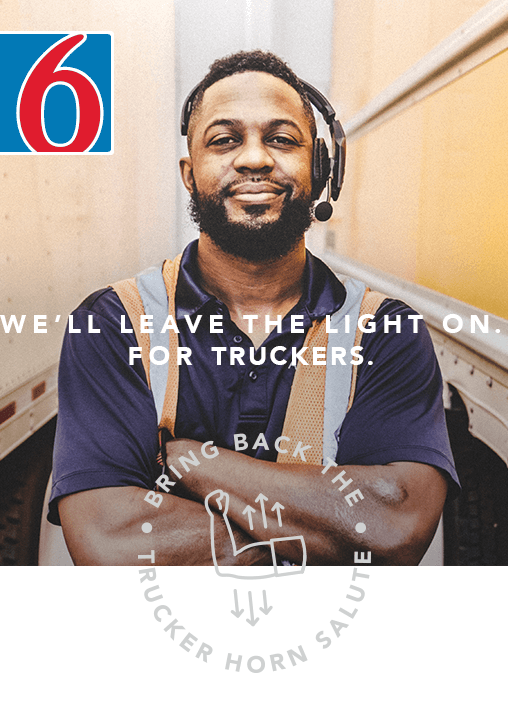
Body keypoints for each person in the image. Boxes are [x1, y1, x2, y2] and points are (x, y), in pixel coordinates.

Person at [48, 50, 460, 566]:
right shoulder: (112, 324)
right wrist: (329, 539)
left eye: (282, 139)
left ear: (319, 167)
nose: (254, 159)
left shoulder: (384, 332)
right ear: (189, 174)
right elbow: (109, 543)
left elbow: (396, 527)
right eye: (224, 140)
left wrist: (195, 460)